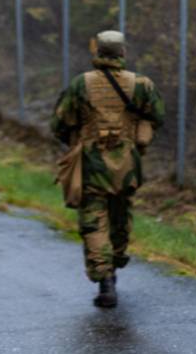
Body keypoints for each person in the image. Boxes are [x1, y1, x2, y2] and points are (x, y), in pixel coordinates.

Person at [51, 30, 165, 308]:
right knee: (120, 216)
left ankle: (105, 280)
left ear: (97, 53)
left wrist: (79, 138)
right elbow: (157, 116)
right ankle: (114, 261)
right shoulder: (141, 84)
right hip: (127, 163)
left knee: (93, 221)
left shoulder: (81, 84)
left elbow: (60, 124)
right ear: (123, 53)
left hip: (91, 163)